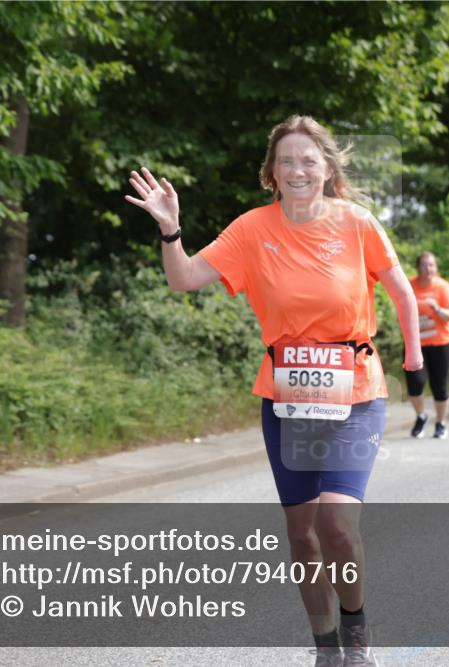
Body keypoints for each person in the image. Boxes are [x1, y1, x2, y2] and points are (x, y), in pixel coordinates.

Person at [126, 115, 422, 667]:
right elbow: (183, 278)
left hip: (356, 389)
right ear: (271, 173)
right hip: (287, 397)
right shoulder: (252, 229)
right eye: (286, 160)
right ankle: (326, 647)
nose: (297, 169)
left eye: (308, 159)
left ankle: (356, 634)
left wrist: (415, 357)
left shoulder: (357, 223)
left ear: (328, 168)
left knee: (336, 524)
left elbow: (402, 290)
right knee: (304, 537)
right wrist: (170, 230)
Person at [406, 252, 449, 439]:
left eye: (431, 265)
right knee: (415, 384)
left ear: (436, 268)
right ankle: (421, 416)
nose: (428, 269)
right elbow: (401, 308)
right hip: (416, 343)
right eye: (424, 265)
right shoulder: (409, 285)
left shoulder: (443, 287)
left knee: (439, 386)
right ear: (418, 267)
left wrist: (437, 308)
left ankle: (441, 423)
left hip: (441, 343)